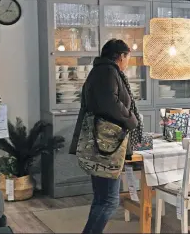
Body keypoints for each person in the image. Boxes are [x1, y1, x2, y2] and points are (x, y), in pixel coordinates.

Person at [73, 39, 143, 234]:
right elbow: (110, 103)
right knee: (109, 201)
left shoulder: (101, 70)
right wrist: (131, 120)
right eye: (128, 57)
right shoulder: (107, 71)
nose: (128, 62)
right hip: (106, 145)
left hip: (102, 144)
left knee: (102, 199)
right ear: (121, 56)